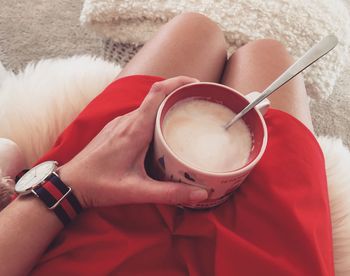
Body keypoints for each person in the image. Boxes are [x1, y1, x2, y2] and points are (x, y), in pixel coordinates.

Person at [0, 12, 333, 275]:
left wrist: (66, 186)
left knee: (196, 29)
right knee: (267, 52)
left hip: (68, 219)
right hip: (269, 259)